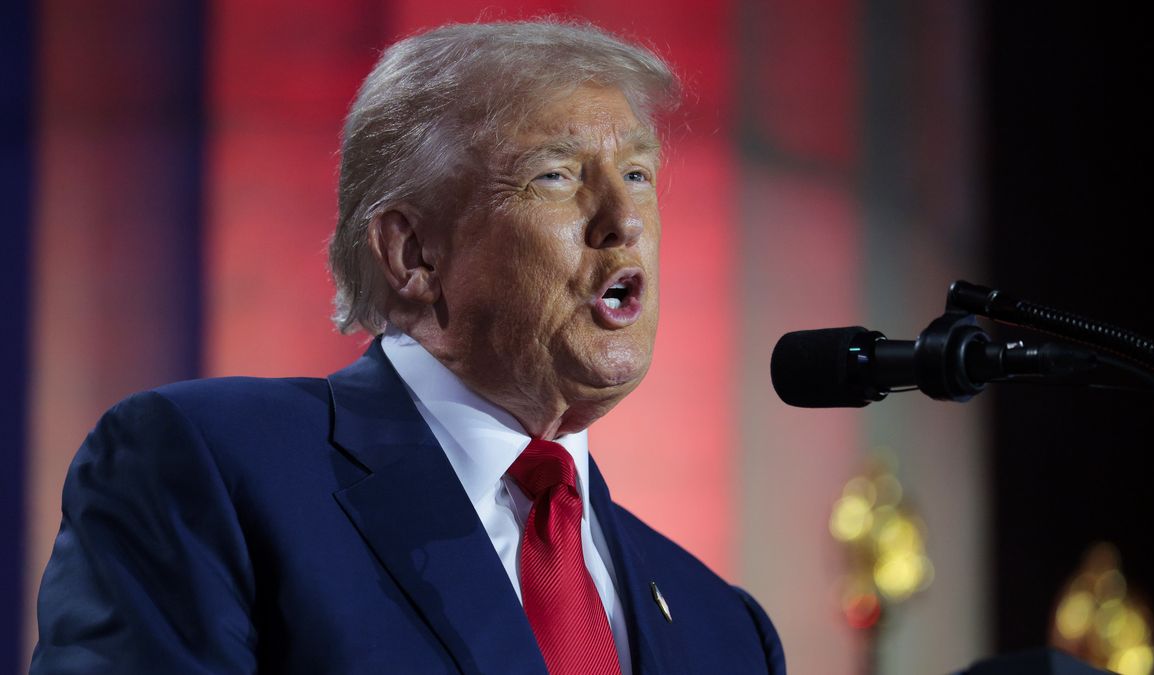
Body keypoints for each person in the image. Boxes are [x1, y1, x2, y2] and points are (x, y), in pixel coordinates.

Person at [31, 20, 785, 674]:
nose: (623, 219)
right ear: (412, 252)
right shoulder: (210, 471)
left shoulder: (725, 628)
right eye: (555, 175)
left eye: (637, 173)